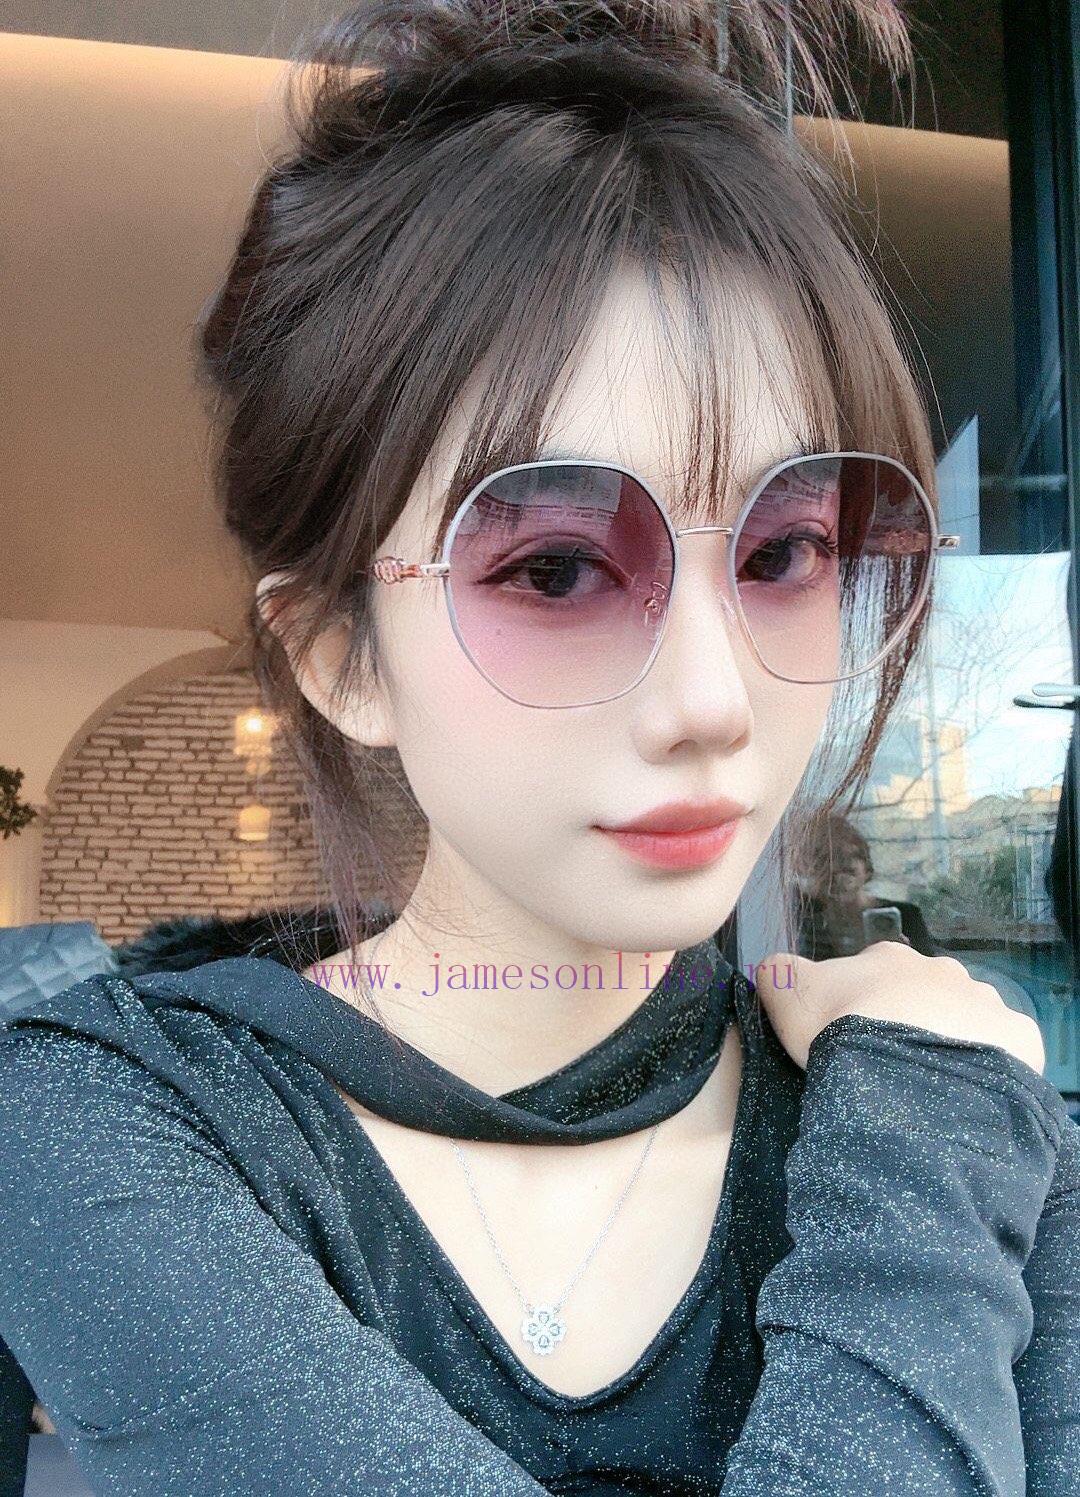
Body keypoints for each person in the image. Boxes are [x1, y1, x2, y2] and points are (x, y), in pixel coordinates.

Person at [1, 2, 1078, 1493]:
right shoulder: (99, 1119)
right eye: (559, 570)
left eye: (783, 552)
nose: (710, 700)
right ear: (338, 655)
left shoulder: (952, 1123)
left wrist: (935, 1129)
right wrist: (929, 1156)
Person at [796, 812, 941, 959]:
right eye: (824, 862)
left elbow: (929, 970)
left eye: (848, 870)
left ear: (866, 869)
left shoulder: (907, 917)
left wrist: (906, 956)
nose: (839, 878)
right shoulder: (804, 923)